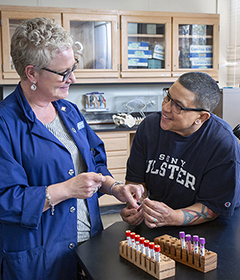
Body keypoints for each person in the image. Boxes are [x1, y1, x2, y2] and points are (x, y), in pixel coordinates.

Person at [0, 17, 143, 280]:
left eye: (73, 67)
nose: (73, 78)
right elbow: (5, 200)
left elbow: (94, 164)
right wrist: (66, 189)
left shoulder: (68, 110)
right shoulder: (5, 124)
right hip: (40, 257)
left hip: (88, 247)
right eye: (64, 73)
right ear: (32, 73)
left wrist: (115, 187)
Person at [120, 72, 240, 228]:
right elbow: (136, 181)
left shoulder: (222, 143)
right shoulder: (149, 127)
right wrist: (136, 205)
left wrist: (173, 217)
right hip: (162, 223)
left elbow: (213, 206)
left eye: (177, 106)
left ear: (201, 117)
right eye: (168, 97)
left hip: (216, 228)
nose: (165, 108)